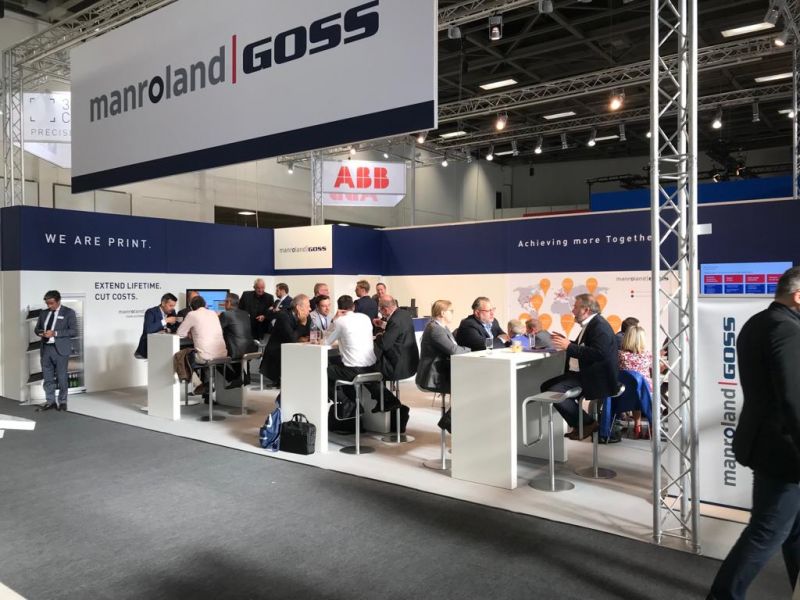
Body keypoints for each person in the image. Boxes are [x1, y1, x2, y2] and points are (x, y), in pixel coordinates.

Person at [708, 266, 800, 600]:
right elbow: (793, 399)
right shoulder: (787, 329)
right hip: (784, 451)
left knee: (792, 530)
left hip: (768, 444)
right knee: (767, 531)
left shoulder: (757, 323)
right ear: (798, 296)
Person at [541, 293, 619, 441]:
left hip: (597, 378)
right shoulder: (592, 324)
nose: (573, 311)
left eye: (576, 307)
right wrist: (566, 341)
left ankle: (587, 423)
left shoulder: (599, 326)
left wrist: (569, 346)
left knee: (554, 391)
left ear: (586, 310)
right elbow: (585, 347)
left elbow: (599, 353)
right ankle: (579, 425)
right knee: (545, 387)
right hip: (586, 373)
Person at [325, 295, 383, 422]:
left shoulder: (340, 322)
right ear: (353, 306)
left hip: (354, 370)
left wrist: (334, 319)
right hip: (372, 367)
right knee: (339, 364)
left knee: (324, 370)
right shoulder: (365, 318)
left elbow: (325, 341)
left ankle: (346, 402)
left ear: (339, 308)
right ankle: (351, 403)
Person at [416, 300, 471, 432]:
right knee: (470, 388)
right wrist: (470, 350)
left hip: (442, 371)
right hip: (434, 376)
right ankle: (449, 421)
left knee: (472, 385)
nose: (453, 314)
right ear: (442, 313)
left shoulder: (442, 328)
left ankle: (452, 421)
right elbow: (454, 350)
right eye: (451, 311)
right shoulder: (435, 329)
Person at [373, 296, 419, 424]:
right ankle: (389, 402)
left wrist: (378, 335)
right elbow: (397, 329)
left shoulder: (394, 321)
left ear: (385, 309)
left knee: (367, 371)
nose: (380, 312)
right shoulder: (404, 314)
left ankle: (386, 400)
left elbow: (384, 344)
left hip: (397, 365)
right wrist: (383, 325)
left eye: (380, 310)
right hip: (409, 362)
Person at [176, 295, 228, 398]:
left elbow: (180, 333)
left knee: (180, 356)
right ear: (205, 305)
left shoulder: (192, 314)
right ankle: (207, 387)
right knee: (201, 353)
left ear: (191, 307)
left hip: (206, 357)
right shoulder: (213, 313)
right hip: (222, 354)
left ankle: (198, 384)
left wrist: (190, 332)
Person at [34, 290, 77, 412]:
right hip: (46, 349)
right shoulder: (43, 313)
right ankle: (50, 401)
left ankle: (62, 402)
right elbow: (37, 329)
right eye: (47, 303)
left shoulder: (68, 312)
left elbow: (73, 331)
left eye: (51, 303)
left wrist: (55, 333)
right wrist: (41, 333)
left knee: (62, 377)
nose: (49, 306)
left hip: (60, 350)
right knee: (47, 377)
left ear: (58, 301)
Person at [259, 295, 311, 388]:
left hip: (294, 350)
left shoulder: (307, 316)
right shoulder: (283, 316)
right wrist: (302, 324)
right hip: (277, 352)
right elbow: (292, 339)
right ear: (298, 307)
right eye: (308, 306)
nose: (310, 309)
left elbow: (309, 336)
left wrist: (299, 337)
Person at [617, 324, 653, 439]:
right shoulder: (648, 356)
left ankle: (637, 427)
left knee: (634, 390)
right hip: (646, 393)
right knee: (647, 392)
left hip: (625, 394)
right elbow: (656, 370)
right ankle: (652, 425)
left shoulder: (620, 355)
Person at [219, 293, 259, 386]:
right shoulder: (245, 313)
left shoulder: (225, 314)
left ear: (229, 302)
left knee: (216, 359)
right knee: (240, 351)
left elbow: (217, 330)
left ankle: (235, 378)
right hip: (250, 348)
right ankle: (245, 377)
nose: (224, 304)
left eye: (225, 302)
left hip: (235, 350)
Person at [135, 293, 178, 359]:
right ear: (163, 303)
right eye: (170, 306)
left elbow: (176, 327)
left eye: (174, 306)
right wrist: (166, 320)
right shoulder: (151, 312)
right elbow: (148, 329)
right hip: (148, 346)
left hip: (165, 344)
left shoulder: (172, 311)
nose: (172, 308)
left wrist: (168, 330)